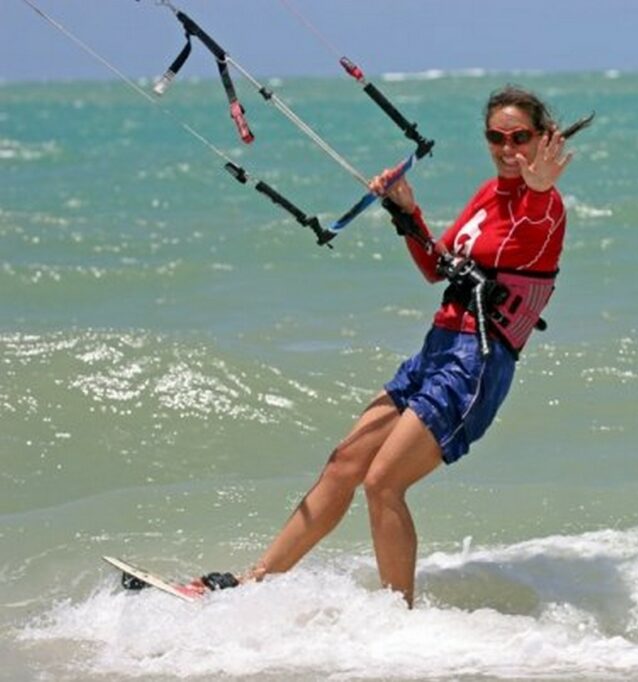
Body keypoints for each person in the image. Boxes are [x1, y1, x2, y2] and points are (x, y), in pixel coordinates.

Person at [203, 86, 593, 607]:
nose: (507, 149)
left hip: (476, 362)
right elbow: (437, 266)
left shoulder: (544, 206)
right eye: (496, 137)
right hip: (437, 350)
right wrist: (406, 211)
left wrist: (540, 187)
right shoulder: (489, 193)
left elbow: (538, 213)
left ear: (542, 140)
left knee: (383, 482)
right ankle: (254, 583)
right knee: (345, 462)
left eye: (520, 137)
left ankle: (396, 623)